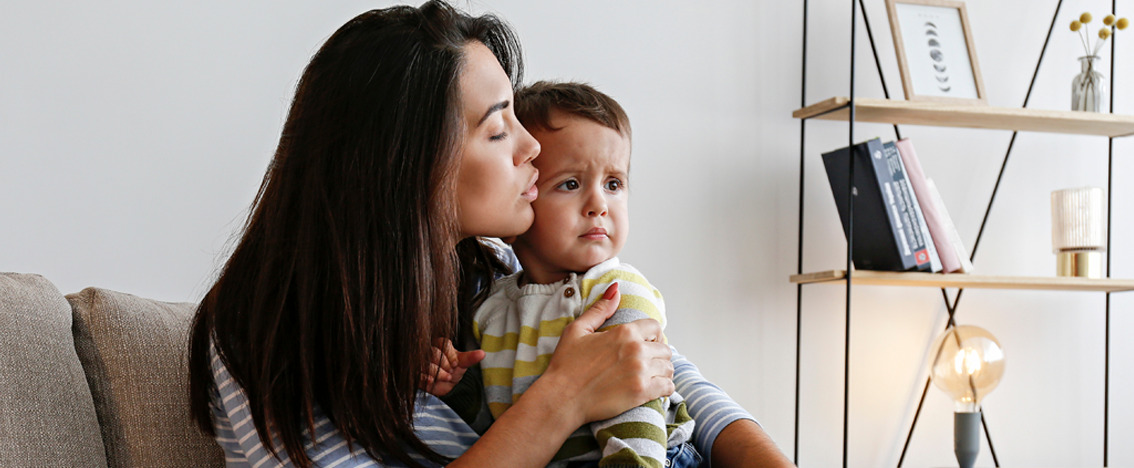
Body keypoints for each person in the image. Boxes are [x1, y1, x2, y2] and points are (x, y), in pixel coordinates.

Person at [186, 2, 795, 467]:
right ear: (407, 163)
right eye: (499, 130)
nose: (533, 149)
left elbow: (657, 367)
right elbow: (596, 378)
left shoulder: (494, 267)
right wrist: (563, 396)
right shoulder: (261, 340)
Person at [427, 81, 694, 468]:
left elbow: (642, 398)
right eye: (570, 184)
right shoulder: (490, 309)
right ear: (526, 191)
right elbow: (492, 426)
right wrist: (452, 390)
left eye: (613, 183)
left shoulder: (617, 290)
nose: (599, 205)